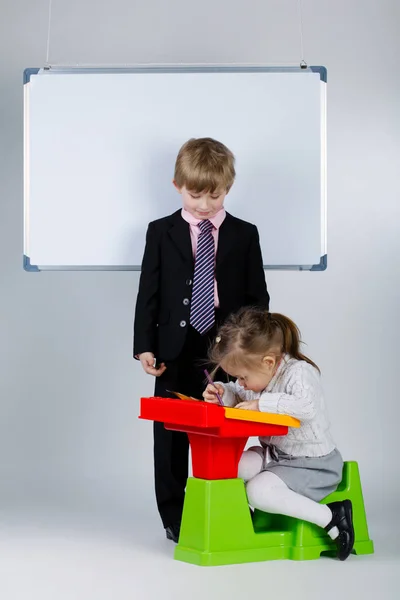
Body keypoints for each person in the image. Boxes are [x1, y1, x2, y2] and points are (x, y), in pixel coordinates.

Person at [134, 138, 269, 542]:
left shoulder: (245, 234)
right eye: (196, 195)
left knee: (226, 429)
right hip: (174, 351)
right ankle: (175, 517)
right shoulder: (161, 231)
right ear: (178, 185)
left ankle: (230, 503)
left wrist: (250, 350)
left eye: (216, 194)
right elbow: (148, 293)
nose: (206, 205)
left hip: (226, 352)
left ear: (228, 187)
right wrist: (144, 346)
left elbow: (257, 297)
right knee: (171, 435)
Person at [203, 306, 354, 561]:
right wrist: (222, 392)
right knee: (228, 466)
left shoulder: (299, 373)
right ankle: (243, 518)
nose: (240, 382)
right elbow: (239, 393)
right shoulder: (258, 376)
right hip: (276, 456)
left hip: (313, 465)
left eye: (242, 376)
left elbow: (306, 406)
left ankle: (331, 516)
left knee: (258, 491)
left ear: (269, 362)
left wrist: (262, 404)